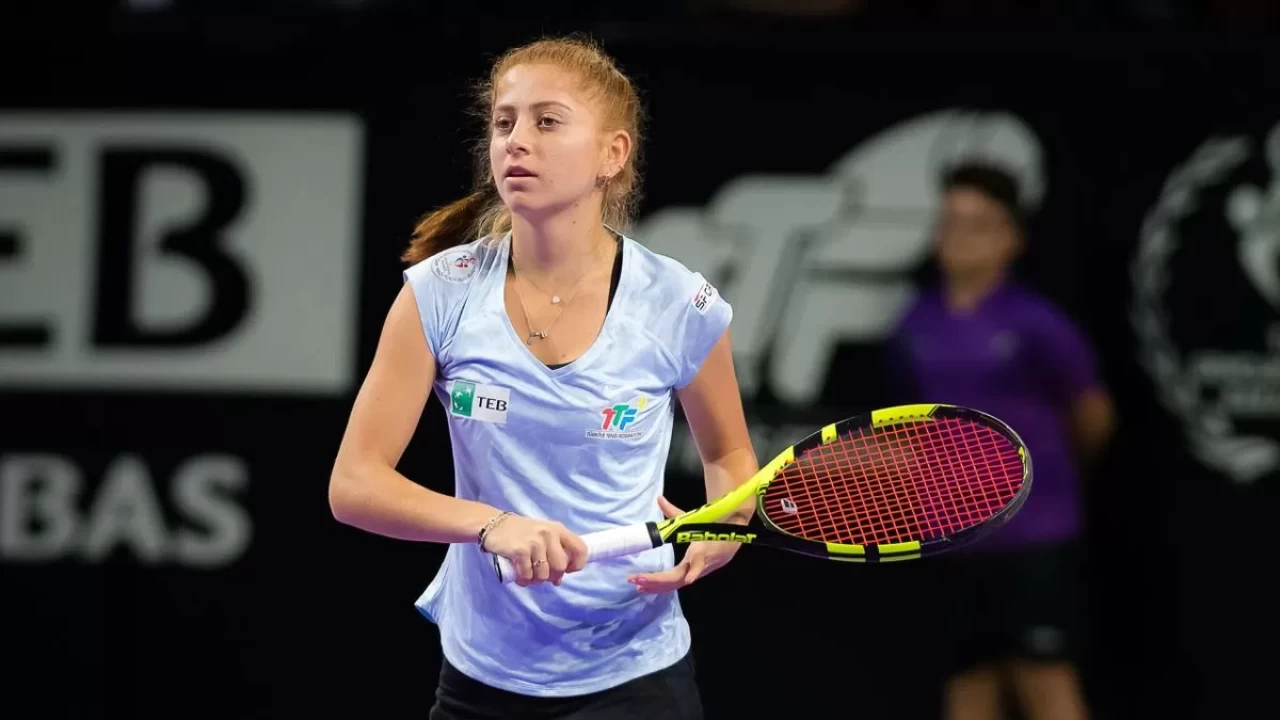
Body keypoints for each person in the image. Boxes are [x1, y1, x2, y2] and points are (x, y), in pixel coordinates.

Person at [327, 35, 759, 720]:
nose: (516, 142)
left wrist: (724, 527)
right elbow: (354, 484)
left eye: (547, 121)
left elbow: (729, 457)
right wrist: (491, 525)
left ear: (612, 155)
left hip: (635, 672)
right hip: (482, 674)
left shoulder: (679, 304)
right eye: (504, 123)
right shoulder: (438, 294)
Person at [885, 161, 1116, 720]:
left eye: (976, 224)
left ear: (1010, 238)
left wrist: (1043, 483)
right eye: (949, 222)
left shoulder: (1040, 323)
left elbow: (1093, 417)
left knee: (1046, 684)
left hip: (1035, 540)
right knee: (968, 687)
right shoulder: (915, 324)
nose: (958, 236)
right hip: (950, 537)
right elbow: (909, 431)